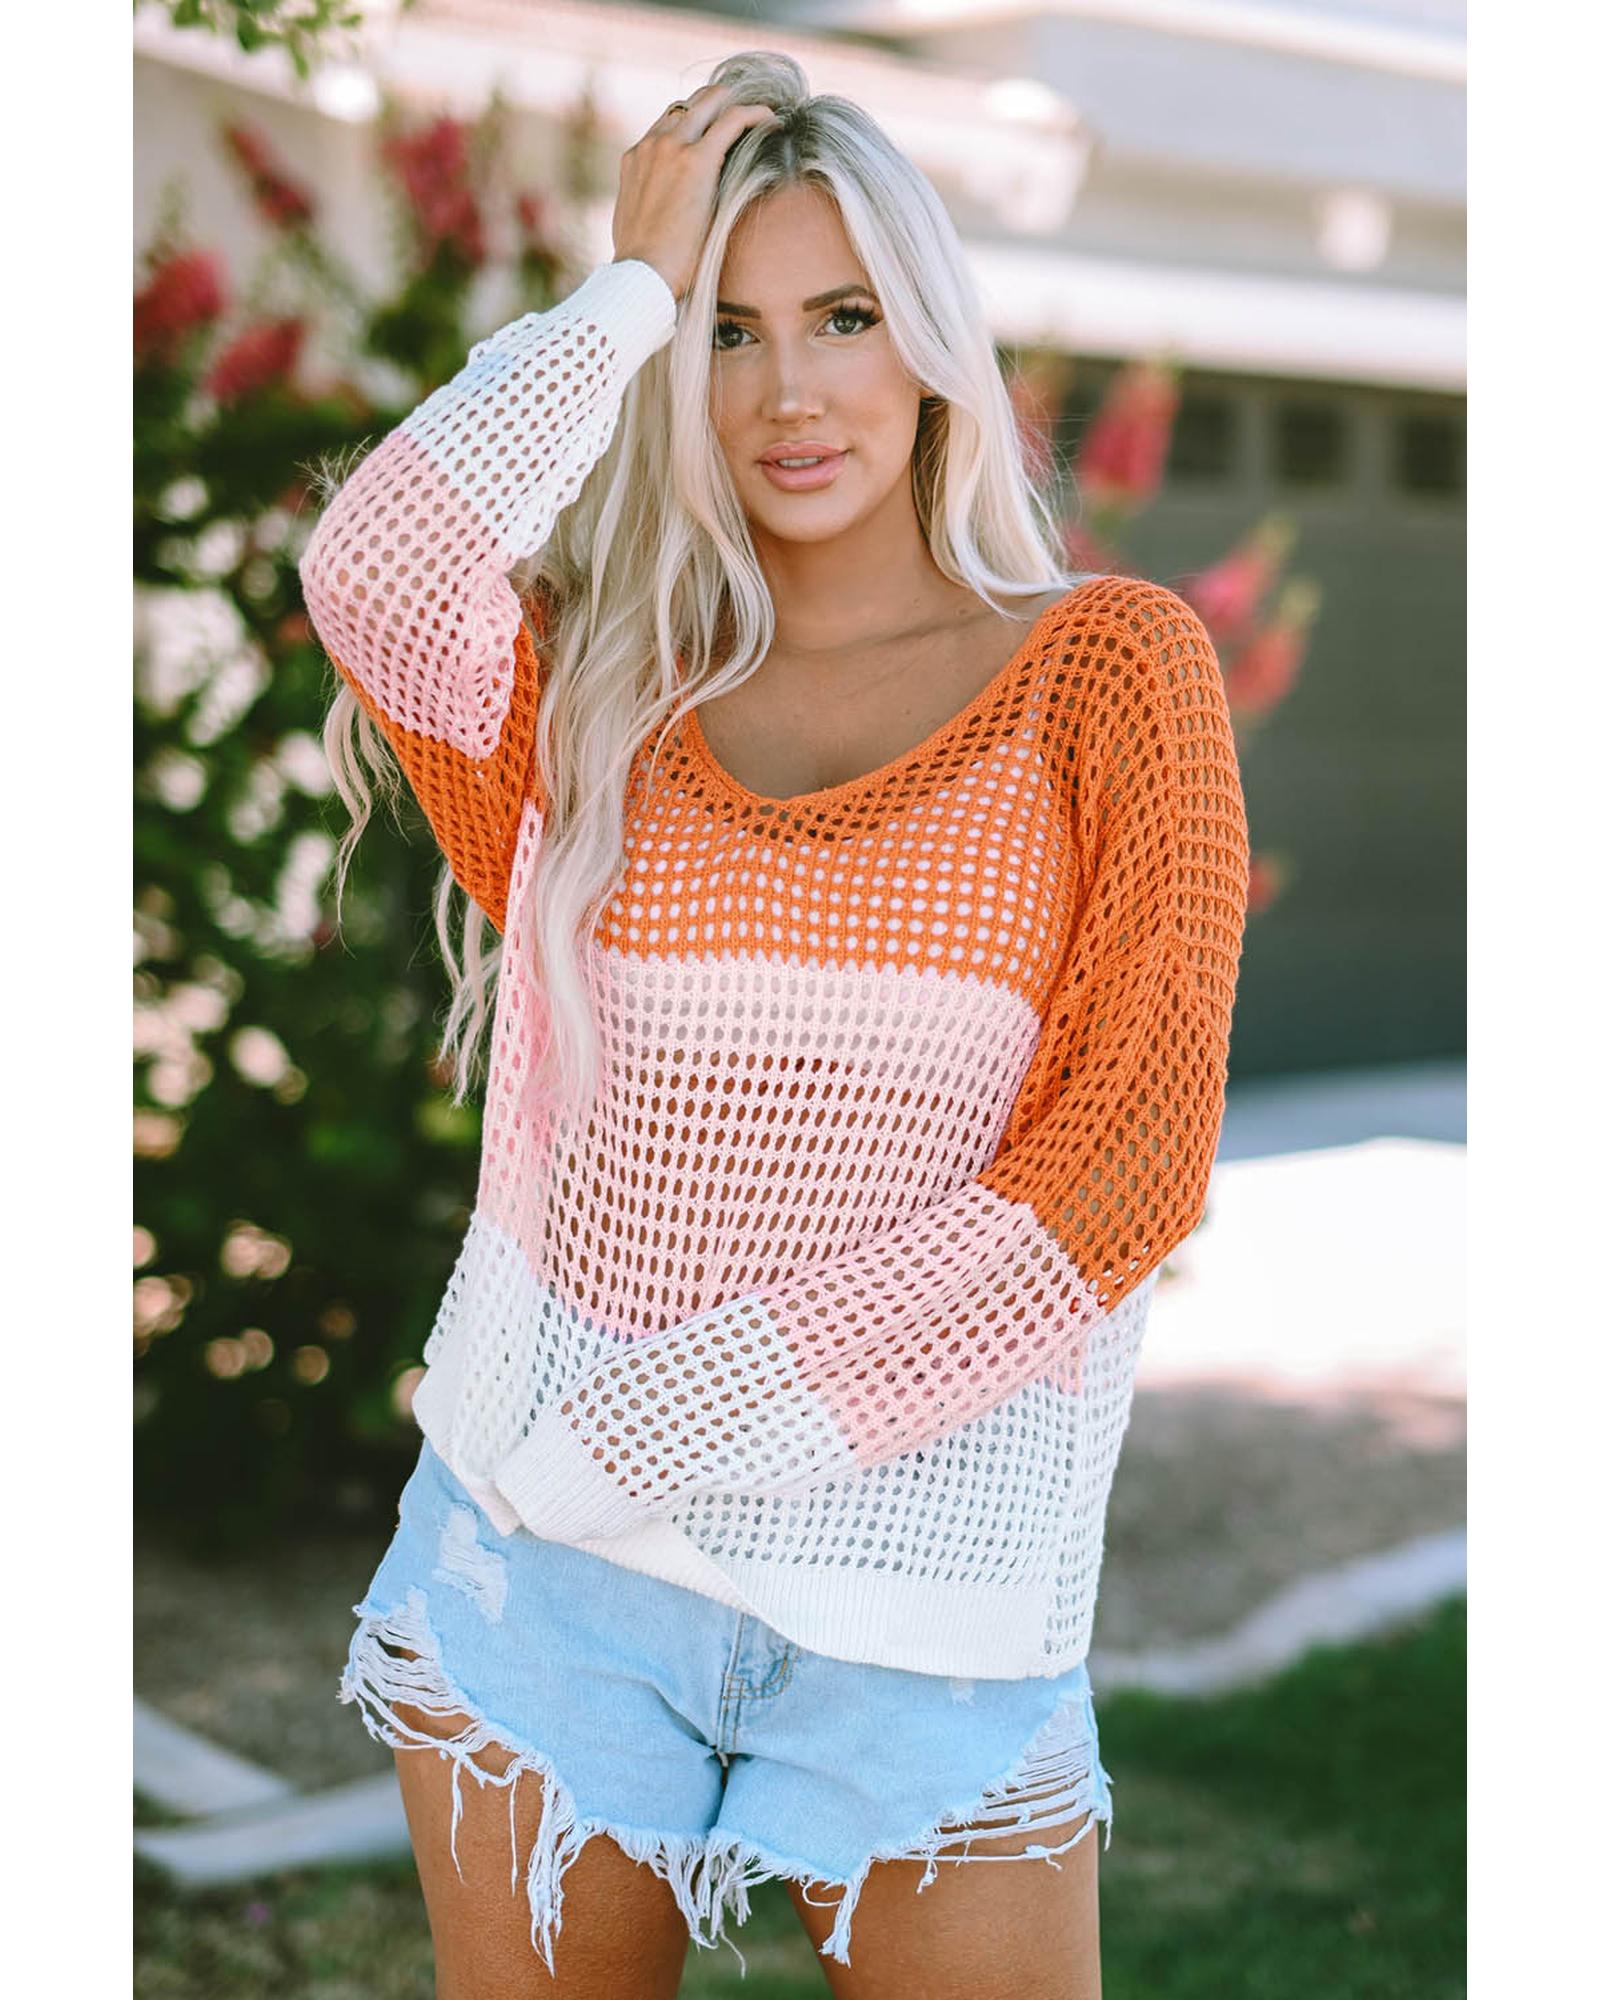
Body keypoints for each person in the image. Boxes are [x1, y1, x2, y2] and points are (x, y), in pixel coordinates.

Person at [297, 48, 1250, 2000]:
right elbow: (375, 569)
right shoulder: (598, 694)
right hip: (542, 1579)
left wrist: (664, 1423)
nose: (788, 391)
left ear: (931, 343)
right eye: (727, 332)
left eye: (841, 317)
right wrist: (621, 293)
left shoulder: (1101, 671)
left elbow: (1128, 1159)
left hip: (921, 1615)